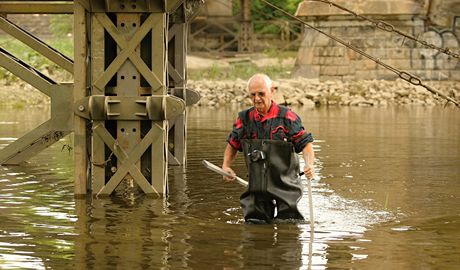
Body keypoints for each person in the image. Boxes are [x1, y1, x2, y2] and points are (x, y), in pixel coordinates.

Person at [222, 73, 315, 224]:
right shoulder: (244, 119)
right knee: (254, 224)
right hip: (257, 184)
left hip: (286, 184)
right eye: (253, 95)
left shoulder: (288, 117)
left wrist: (309, 164)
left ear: (273, 91)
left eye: (261, 93)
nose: (257, 98)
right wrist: (226, 166)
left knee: (288, 226)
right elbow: (233, 144)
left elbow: (305, 144)